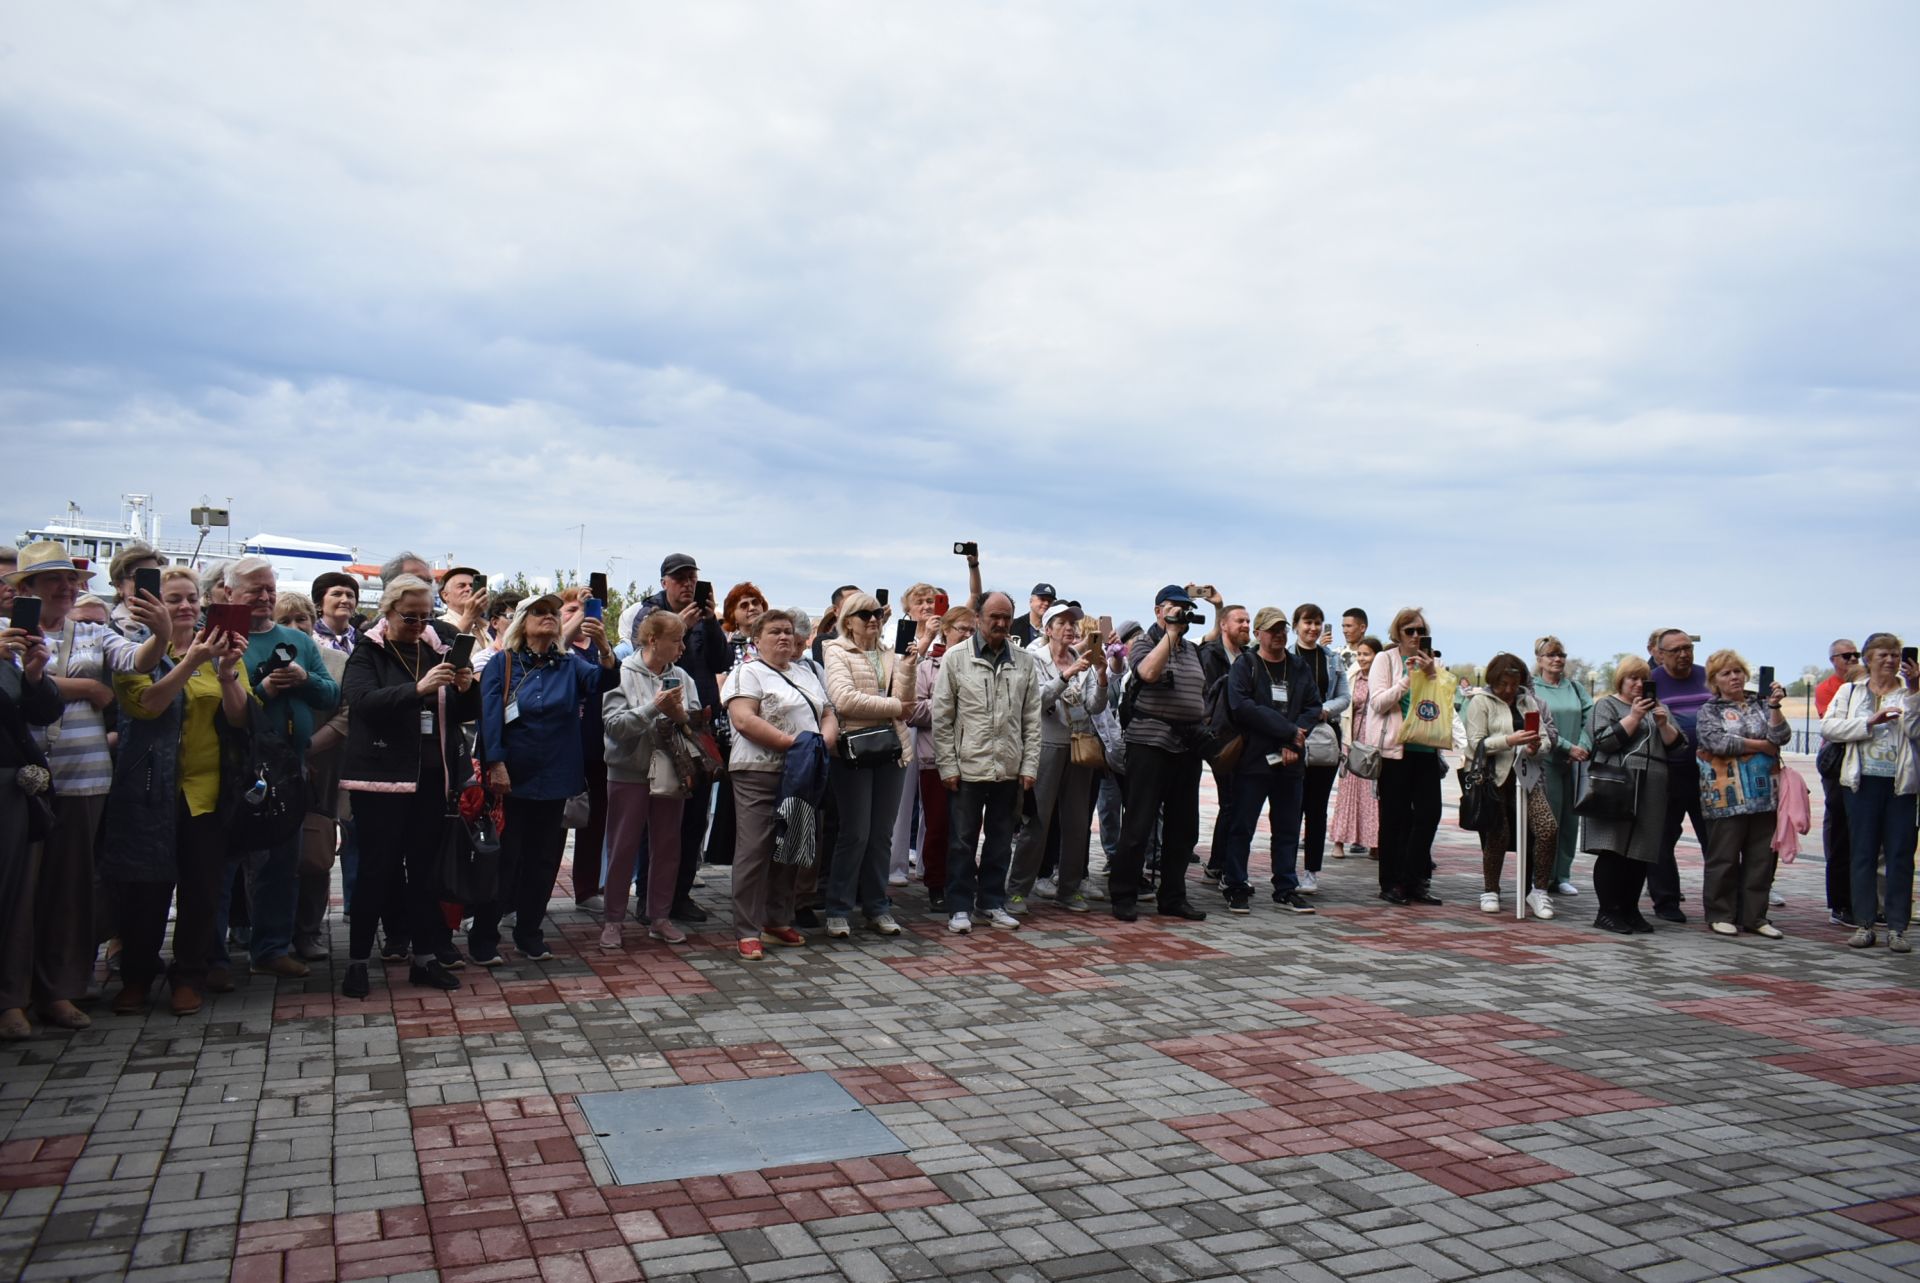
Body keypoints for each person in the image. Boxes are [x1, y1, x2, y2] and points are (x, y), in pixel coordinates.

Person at [3, 542, 166, 1029]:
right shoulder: (7, 636)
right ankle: (11, 995)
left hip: (85, 774)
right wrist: (77, 687)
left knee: (70, 891)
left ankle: (60, 989)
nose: (66, 587)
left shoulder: (94, 634)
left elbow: (137, 662)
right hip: (19, 777)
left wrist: (159, 634)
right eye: (53, 579)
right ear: (26, 589)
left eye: (72, 580)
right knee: (17, 892)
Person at [99, 568, 254, 1017]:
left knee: (201, 890)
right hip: (148, 790)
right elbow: (147, 705)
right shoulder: (133, 653)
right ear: (152, 605)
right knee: (145, 890)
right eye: (174, 599)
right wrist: (191, 661)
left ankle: (189, 975)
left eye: (191, 599)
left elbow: (242, 720)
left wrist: (225, 673)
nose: (185, 607)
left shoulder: (222, 649)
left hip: (205, 791)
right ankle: (137, 976)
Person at [337, 574, 479, 997]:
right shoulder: (368, 650)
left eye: (425, 616)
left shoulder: (437, 649)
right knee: (376, 872)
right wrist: (416, 689)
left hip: (432, 779)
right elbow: (360, 703)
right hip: (380, 781)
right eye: (410, 617)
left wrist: (465, 689)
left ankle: (424, 959)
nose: (419, 624)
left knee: (423, 873)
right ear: (388, 611)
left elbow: (463, 715)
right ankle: (358, 961)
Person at [472, 593, 618, 964]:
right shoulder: (503, 662)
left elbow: (605, 683)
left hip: (555, 776)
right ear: (523, 621)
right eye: (540, 612)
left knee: (541, 861)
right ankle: (484, 937)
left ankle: (529, 933)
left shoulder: (569, 665)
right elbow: (489, 717)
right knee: (504, 860)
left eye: (554, 613)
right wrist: (496, 763)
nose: (549, 617)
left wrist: (603, 648)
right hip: (512, 778)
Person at [221, 557, 340, 980]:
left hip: (289, 765)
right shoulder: (220, 638)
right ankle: (212, 957)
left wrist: (303, 679)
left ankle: (272, 948)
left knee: (281, 864)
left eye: (270, 588)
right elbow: (218, 704)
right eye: (255, 589)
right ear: (230, 592)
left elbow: (330, 695)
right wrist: (265, 689)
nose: (265, 596)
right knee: (226, 866)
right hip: (234, 764)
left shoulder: (297, 639)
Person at [722, 609, 838, 960]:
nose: (784, 637)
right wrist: (797, 744)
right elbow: (743, 719)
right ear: (757, 639)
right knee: (755, 849)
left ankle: (777, 919)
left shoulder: (807, 674)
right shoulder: (747, 673)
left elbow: (829, 713)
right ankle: (747, 929)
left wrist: (820, 743)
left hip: (803, 772)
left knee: (791, 846)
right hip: (759, 770)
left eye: (788, 631)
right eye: (774, 632)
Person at [932, 592, 1040, 933]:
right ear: (978, 618)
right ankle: (959, 906)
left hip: (1008, 768)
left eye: (1007, 617)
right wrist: (947, 765)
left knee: (999, 840)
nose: (1001, 624)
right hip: (967, 767)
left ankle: (991, 902)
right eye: (994, 616)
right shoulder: (955, 658)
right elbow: (942, 717)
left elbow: (1032, 720)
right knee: (962, 841)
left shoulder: (1023, 661)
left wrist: (1029, 766)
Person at [636, 554, 735, 923]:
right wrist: (679, 625)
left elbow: (723, 660)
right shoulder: (648, 612)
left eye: (692, 578)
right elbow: (641, 655)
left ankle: (680, 896)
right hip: (660, 727)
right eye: (679, 579)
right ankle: (648, 898)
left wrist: (710, 623)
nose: (688, 585)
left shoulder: (705, 618)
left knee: (694, 820)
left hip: (700, 728)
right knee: (659, 820)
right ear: (664, 582)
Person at [1109, 586, 1211, 923]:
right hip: (1149, 744)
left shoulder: (1192, 649)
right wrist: (1169, 634)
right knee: (1138, 825)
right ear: (1158, 611)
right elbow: (1148, 673)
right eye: (1175, 607)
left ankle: (1173, 896)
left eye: (1186, 608)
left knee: (1184, 828)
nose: (1182, 613)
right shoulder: (1144, 643)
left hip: (1186, 746)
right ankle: (1123, 894)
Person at [821, 591, 919, 938]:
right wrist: (893, 706)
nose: (873, 619)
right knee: (855, 833)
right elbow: (844, 700)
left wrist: (907, 666)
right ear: (848, 620)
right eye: (864, 615)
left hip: (892, 750)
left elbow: (907, 702)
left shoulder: (890, 654)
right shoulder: (834, 650)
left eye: (877, 613)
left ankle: (877, 907)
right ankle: (838, 907)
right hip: (855, 753)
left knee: (881, 836)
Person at [601, 610, 700, 949]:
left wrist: (682, 716)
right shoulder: (621, 673)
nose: (682, 647)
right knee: (622, 847)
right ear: (652, 640)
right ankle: (613, 920)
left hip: (671, 770)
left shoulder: (684, 677)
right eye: (676, 640)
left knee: (668, 847)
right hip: (629, 771)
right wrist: (654, 709)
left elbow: (695, 724)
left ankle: (660, 917)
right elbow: (614, 726)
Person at [1218, 607, 1323, 914]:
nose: (1278, 635)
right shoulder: (1245, 665)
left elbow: (1313, 705)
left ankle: (1285, 887)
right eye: (1272, 629)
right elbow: (1242, 708)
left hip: (1291, 761)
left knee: (1288, 827)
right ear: (1258, 633)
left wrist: (1295, 738)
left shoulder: (1299, 667)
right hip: (1254, 760)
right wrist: (1289, 732)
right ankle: (1235, 883)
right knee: (1242, 825)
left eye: (1282, 630)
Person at [1006, 602, 1107, 915]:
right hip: (1045, 745)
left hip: (1079, 746)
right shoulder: (1034, 659)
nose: (1069, 628)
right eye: (1061, 622)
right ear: (1047, 629)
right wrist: (1066, 675)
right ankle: (1018, 890)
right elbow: (1036, 700)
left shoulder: (1082, 659)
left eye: (1072, 623)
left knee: (1077, 823)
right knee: (1037, 822)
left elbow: (1094, 706)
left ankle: (1070, 888)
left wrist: (1102, 677)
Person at [1822, 634, 1919, 953]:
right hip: (1861, 783)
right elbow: (1830, 728)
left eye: (1895, 654)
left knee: (1900, 856)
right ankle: (1864, 922)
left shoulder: (1908, 693)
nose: (1890, 660)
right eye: (1883, 655)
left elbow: (1916, 732)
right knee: (1862, 853)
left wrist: (1916, 692)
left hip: (1901, 785)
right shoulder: (1850, 691)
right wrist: (1869, 722)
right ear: (1867, 658)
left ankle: (1897, 927)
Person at [1694, 650, 1791, 938]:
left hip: (1764, 795)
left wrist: (1775, 707)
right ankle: (1720, 913)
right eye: (1726, 673)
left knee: (1762, 857)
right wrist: (1761, 745)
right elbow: (1716, 742)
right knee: (1723, 857)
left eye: (1737, 671)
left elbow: (1781, 736)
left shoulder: (1761, 704)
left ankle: (1755, 916)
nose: (1734, 677)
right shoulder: (1709, 710)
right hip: (1726, 796)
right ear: (1714, 680)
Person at [1582, 658, 1681, 934]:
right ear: (1620, 681)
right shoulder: (1607, 705)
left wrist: (1662, 724)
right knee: (1614, 849)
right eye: (1632, 679)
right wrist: (1634, 716)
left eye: (1643, 679)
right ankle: (1608, 911)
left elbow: (1677, 747)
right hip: (1617, 784)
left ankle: (1630, 909)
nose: (1638, 685)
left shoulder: (1660, 708)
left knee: (1641, 851)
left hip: (1652, 786)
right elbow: (1603, 741)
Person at [0, 620, 63, 1039]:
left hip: (10, 783)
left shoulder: (9, 647)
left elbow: (42, 712)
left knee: (14, 900)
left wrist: (36, 674)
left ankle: (10, 1000)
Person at [278, 591, 347, 961]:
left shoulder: (337, 661)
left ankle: (309, 931)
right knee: (268, 854)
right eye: (284, 620)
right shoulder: (259, 658)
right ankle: (270, 933)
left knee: (316, 855)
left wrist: (310, 748)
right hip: (270, 770)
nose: (293, 627)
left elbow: (349, 713)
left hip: (321, 771)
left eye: (301, 619)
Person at [1463, 653, 1558, 918]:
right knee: (1498, 833)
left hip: (1527, 776)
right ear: (1493, 681)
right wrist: (1509, 740)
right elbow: (1475, 744)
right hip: (1494, 778)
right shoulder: (1480, 702)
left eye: (1513, 684)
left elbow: (1545, 741)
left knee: (1547, 828)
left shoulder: (1529, 702)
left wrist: (1537, 746)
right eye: (1503, 684)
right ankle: (1490, 889)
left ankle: (1539, 891)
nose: (1508, 690)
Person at [1366, 608, 1449, 906]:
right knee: (1394, 818)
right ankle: (1391, 882)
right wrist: (1408, 679)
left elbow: (1445, 702)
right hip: (1394, 750)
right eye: (1409, 631)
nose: (1415, 636)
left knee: (1429, 814)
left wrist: (1430, 675)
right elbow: (1377, 703)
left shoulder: (1435, 663)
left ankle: (1415, 878)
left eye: (1420, 631)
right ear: (1397, 634)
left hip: (1426, 748)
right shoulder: (1384, 660)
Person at [908, 606, 975, 912]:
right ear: (946, 629)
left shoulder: (978, 665)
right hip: (935, 757)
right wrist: (949, 703)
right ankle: (936, 883)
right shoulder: (927, 668)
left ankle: (962, 880)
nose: (968, 635)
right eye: (962, 628)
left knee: (969, 825)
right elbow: (913, 711)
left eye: (973, 630)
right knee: (938, 823)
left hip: (973, 756)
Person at [1645, 629, 1711, 923]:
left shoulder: (1706, 675)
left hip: (1708, 774)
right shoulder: (1652, 682)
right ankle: (1666, 902)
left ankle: (1721, 903)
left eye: (1687, 648)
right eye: (1676, 650)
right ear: (1660, 654)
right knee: (1662, 839)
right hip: (1667, 772)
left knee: (1715, 840)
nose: (1684, 654)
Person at [1289, 605, 1351, 892]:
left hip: (1324, 738)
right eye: (1307, 622)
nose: (1312, 628)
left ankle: (1311, 871)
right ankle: (1285, 868)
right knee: (1290, 805)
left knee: (1316, 809)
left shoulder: (1332, 659)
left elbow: (1344, 697)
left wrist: (1321, 710)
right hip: (1291, 736)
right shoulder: (1286, 656)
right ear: (1295, 625)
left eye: (1317, 623)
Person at [888, 582, 943, 888]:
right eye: (919, 602)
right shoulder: (904, 632)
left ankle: (926, 861)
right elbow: (900, 672)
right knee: (903, 798)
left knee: (932, 798)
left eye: (930, 601)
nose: (926, 606)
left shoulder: (946, 634)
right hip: (906, 722)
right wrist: (927, 637)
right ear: (907, 608)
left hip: (935, 726)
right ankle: (896, 866)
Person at [1532, 636, 1594, 898]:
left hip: (1575, 765)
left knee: (1571, 822)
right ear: (1539, 660)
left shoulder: (1576, 687)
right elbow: (1540, 724)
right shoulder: (1532, 689)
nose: (1557, 659)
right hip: (1547, 763)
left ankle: (1563, 875)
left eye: (1561, 655)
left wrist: (1581, 746)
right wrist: (1567, 747)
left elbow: (1590, 718)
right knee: (1549, 823)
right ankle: (1542, 877)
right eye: (1551, 655)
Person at [1198, 604, 1250, 882]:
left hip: (1245, 740)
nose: (1246, 625)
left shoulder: (1249, 657)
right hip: (1220, 740)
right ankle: (1219, 864)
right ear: (1224, 626)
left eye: (1248, 621)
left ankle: (1221, 862)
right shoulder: (1210, 654)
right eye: (1240, 620)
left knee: (1236, 803)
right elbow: (1205, 698)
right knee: (1231, 802)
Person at [1815, 638, 1861, 926]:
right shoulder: (1829, 688)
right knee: (1840, 833)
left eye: (1857, 655)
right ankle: (1840, 903)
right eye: (1846, 655)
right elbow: (1833, 724)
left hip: (1866, 770)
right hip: (1837, 765)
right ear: (1833, 659)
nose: (1852, 659)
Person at [1329, 636, 1382, 859]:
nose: (1362, 658)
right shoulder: (1353, 677)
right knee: (1347, 793)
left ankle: (1374, 843)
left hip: (1375, 741)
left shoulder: (1383, 680)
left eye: (1367, 654)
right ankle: (1339, 841)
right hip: (1352, 739)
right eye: (1360, 654)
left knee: (1373, 794)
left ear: (1378, 656)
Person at [107, 541, 168, 640]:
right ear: (119, 586)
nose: (150, 583)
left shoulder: (172, 619)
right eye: (141, 577)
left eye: (155, 576)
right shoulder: (115, 631)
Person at [311, 571, 363, 654]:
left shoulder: (363, 642)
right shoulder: (308, 639)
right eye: (337, 594)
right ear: (318, 604)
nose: (345, 600)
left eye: (350, 595)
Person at [437, 567, 488, 636]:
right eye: (461, 586)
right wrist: (469, 617)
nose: (469, 589)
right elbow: (451, 646)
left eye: (472, 585)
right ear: (445, 595)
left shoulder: (486, 625)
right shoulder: (438, 625)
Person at [1010, 583, 1056, 648]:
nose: (1046, 603)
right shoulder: (1013, 626)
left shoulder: (1055, 631)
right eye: (1042, 599)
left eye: (1050, 601)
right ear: (1031, 601)